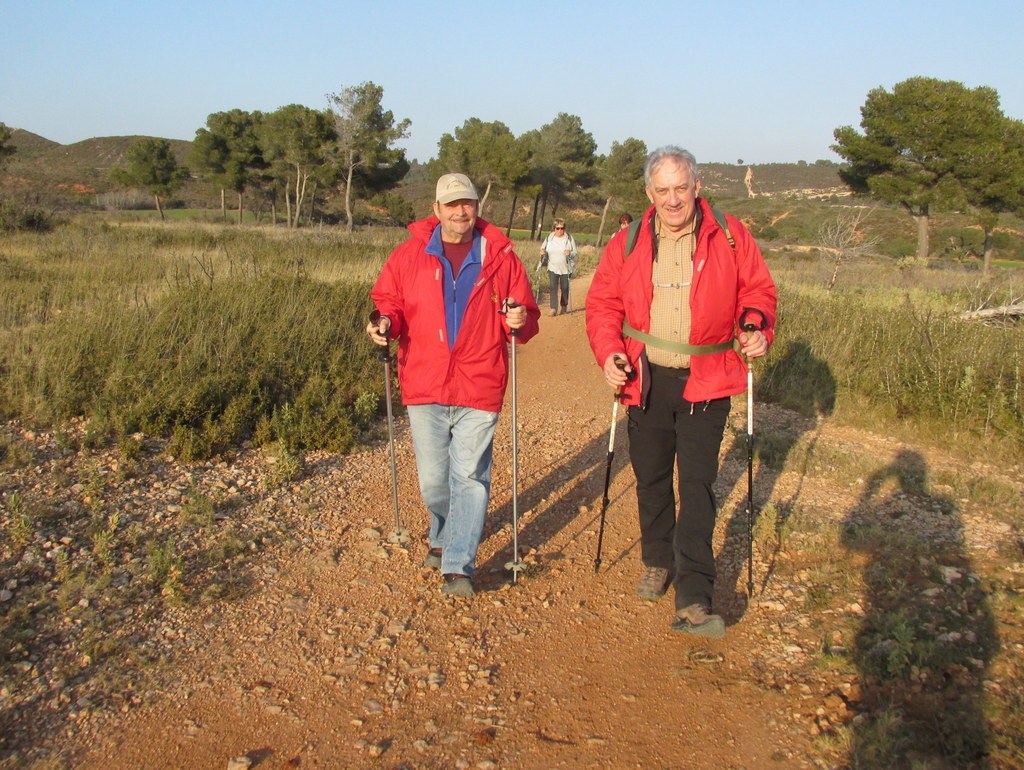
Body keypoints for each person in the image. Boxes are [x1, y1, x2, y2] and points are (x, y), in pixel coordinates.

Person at [585, 146, 776, 638]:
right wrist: (610, 353)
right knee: (649, 476)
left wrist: (755, 326)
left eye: (681, 188)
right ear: (649, 193)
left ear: (697, 188)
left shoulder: (730, 235)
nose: (673, 200)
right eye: (663, 190)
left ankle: (694, 595)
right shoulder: (628, 240)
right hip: (645, 375)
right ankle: (656, 558)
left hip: (708, 377)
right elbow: (603, 303)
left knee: (696, 485)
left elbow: (758, 292)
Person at [367, 172, 541, 598]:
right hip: (424, 379)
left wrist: (519, 319)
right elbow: (387, 302)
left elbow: (525, 313)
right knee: (433, 480)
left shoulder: (501, 257)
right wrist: (384, 323)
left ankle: (458, 563)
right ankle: (442, 531)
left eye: (467, 203)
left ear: (477, 207)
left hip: (480, 380)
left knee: (470, 475)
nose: (461, 211)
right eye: (452, 204)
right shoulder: (408, 256)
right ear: (437, 210)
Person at [538, 218, 577, 316]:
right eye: (557, 228)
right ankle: (553, 308)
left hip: (566, 268)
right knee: (553, 287)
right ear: (554, 228)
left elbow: (575, 252)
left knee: (565, 287)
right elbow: (543, 248)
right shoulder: (549, 238)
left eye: (562, 228)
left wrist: (570, 253)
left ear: (564, 228)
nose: (560, 230)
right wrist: (542, 252)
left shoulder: (569, 238)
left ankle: (564, 306)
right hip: (552, 267)